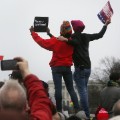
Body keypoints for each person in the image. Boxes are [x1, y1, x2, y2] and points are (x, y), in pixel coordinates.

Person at [58, 19, 111, 119]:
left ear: (74, 28)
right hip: (88, 68)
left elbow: (75, 42)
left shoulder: (74, 37)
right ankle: (85, 113)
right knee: (84, 91)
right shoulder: (86, 36)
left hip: (80, 68)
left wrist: (65, 39)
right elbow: (100, 35)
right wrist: (105, 25)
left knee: (82, 92)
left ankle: (86, 115)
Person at [29, 21, 80, 113]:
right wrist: (49, 33)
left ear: (61, 31)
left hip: (56, 67)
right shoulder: (71, 42)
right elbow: (61, 41)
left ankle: (59, 110)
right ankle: (77, 109)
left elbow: (42, 42)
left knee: (58, 89)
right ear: (70, 30)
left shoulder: (56, 41)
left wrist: (33, 33)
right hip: (67, 67)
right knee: (71, 89)